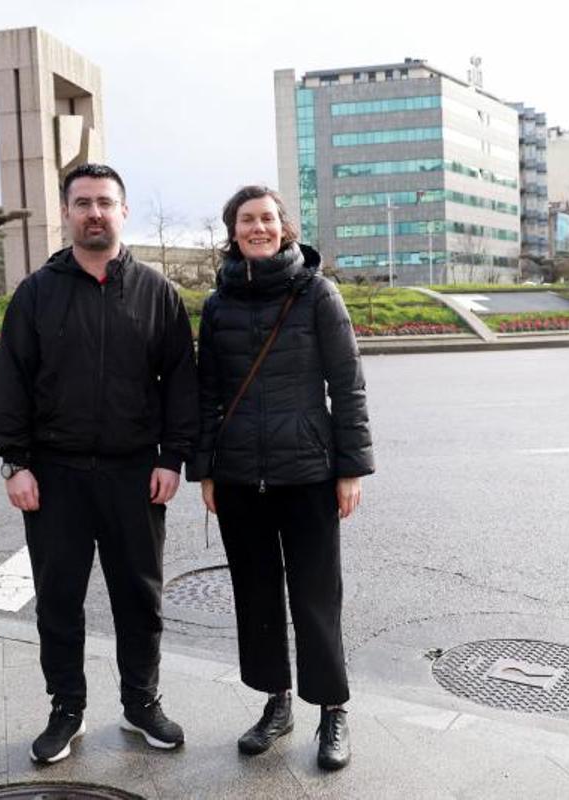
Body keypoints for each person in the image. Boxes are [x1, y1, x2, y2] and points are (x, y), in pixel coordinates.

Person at [0, 163, 198, 765]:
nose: (95, 212)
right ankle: (66, 710)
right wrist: (16, 463)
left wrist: (172, 458)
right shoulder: (36, 293)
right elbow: (11, 384)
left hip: (136, 475)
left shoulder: (156, 292)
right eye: (83, 203)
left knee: (140, 597)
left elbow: (181, 382)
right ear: (68, 213)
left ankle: (141, 704)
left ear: (123, 211)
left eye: (105, 201)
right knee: (58, 599)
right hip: (55, 477)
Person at [187, 185, 373, 770]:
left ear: (285, 227)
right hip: (241, 476)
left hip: (308, 474)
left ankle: (333, 709)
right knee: (258, 598)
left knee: (317, 599)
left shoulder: (317, 293)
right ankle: (277, 703)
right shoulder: (218, 304)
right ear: (233, 231)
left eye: (268, 218)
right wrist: (207, 471)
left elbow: (348, 385)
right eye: (247, 220)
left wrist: (350, 468)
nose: (259, 228)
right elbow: (208, 393)